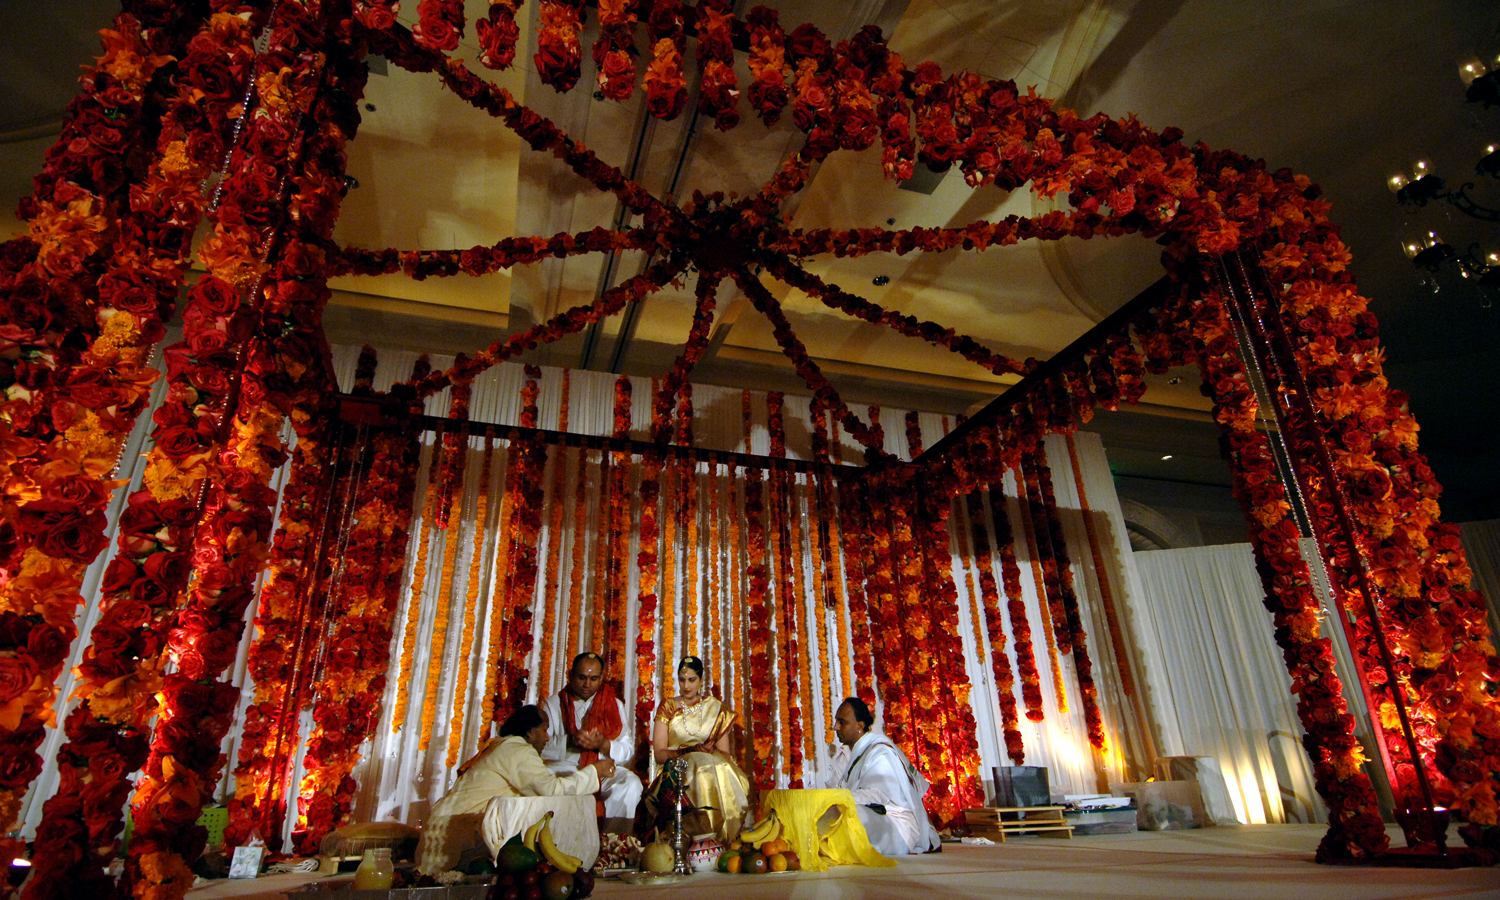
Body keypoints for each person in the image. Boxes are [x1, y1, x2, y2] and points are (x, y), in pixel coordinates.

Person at [415, 705, 616, 874]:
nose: (547, 737)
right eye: (544, 729)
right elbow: (551, 790)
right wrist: (594, 771)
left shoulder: (502, 745)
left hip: (444, 828)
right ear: (530, 732)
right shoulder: (518, 751)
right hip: (455, 835)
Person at [635, 656, 750, 842]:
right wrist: (689, 751)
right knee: (698, 762)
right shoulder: (668, 707)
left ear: (701, 680)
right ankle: (700, 836)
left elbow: (726, 754)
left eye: (691, 680)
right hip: (676, 770)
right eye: (682, 680)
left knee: (715, 765)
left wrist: (709, 751)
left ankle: (722, 836)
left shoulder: (715, 708)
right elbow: (659, 754)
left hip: (712, 766)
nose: (686, 686)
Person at [539, 652, 642, 827]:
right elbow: (539, 747)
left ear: (602, 678)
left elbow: (627, 749)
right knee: (545, 783)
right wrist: (570, 741)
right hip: (566, 767)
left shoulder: (615, 705)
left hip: (603, 769)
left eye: (594, 678)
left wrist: (604, 744)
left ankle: (613, 843)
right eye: (582, 678)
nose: (587, 684)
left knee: (630, 784)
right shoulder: (552, 704)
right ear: (570, 675)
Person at [829, 696, 941, 856]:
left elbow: (878, 794)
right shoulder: (844, 755)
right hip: (868, 812)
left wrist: (836, 798)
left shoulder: (880, 751)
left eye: (842, 722)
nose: (835, 727)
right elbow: (835, 791)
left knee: (850, 815)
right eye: (836, 721)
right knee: (830, 812)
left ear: (860, 725)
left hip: (896, 822)